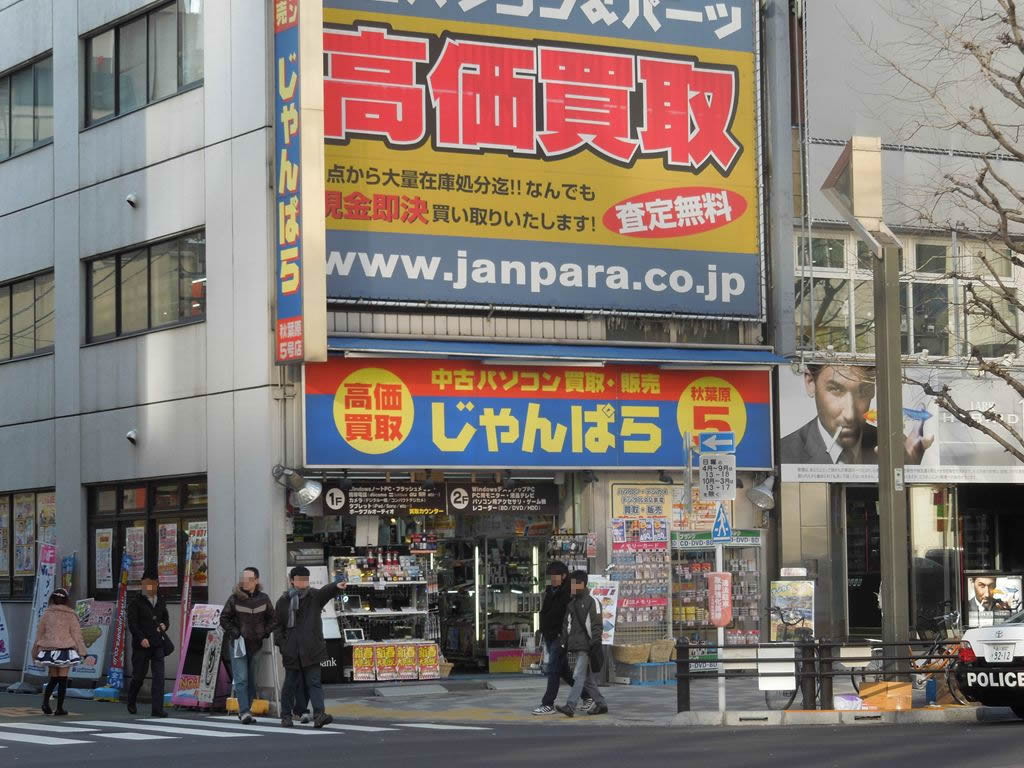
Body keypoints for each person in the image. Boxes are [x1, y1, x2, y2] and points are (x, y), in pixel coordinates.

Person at [780, 364, 933, 465]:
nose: (850, 415)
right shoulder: (784, 454)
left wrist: (910, 472)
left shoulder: (893, 447)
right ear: (810, 383)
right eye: (836, 390)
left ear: (873, 390)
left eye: (863, 391)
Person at [273, 566, 346, 728]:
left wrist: (336, 586)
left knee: (314, 683)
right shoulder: (283, 601)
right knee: (290, 685)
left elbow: (326, 592)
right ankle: (286, 715)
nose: (303, 582)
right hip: (292, 650)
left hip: (312, 649)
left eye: (305, 579)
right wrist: (283, 645)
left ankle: (319, 714)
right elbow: (277, 626)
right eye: (299, 579)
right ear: (292, 581)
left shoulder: (314, 596)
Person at [221, 566, 278, 724]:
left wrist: (265, 632)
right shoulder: (234, 598)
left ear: (256, 581)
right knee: (241, 678)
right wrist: (234, 631)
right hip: (238, 643)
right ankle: (244, 711)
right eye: (243, 579)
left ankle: (247, 709)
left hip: (256, 644)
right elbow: (224, 618)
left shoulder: (264, 599)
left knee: (252, 680)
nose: (245, 582)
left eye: (249, 579)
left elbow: (274, 619)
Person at [555, 571, 608, 717]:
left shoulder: (592, 602)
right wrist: (563, 644)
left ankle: (570, 706)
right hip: (577, 645)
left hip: (587, 646)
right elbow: (566, 626)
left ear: (582, 584)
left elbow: (597, 625)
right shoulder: (571, 604)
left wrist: (594, 643)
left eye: (574, 584)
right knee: (587, 680)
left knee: (578, 675)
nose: (571, 587)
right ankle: (601, 704)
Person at [32, 589, 87, 716]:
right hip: (65, 649)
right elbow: (77, 636)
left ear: (52, 599)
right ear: (66, 600)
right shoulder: (71, 615)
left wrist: (35, 651)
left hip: (49, 649)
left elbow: (39, 634)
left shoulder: (47, 614)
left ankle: (45, 703)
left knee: (53, 678)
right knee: (63, 679)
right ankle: (59, 708)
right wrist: (83, 652)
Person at [126, 574, 170, 718]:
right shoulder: (136, 602)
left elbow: (165, 618)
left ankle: (157, 709)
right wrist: (141, 638)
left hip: (157, 644)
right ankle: (131, 700)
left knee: (159, 677)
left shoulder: (161, 600)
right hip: (142, 645)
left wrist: (164, 625)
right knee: (139, 676)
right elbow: (133, 624)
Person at [532, 561, 574, 716]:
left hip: (560, 636)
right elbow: (545, 612)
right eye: (551, 576)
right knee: (564, 671)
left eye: (555, 576)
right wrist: (542, 631)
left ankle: (548, 703)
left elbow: (568, 616)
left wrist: (564, 635)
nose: (552, 579)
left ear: (563, 576)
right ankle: (588, 695)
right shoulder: (550, 591)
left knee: (553, 669)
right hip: (549, 635)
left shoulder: (569, 592)